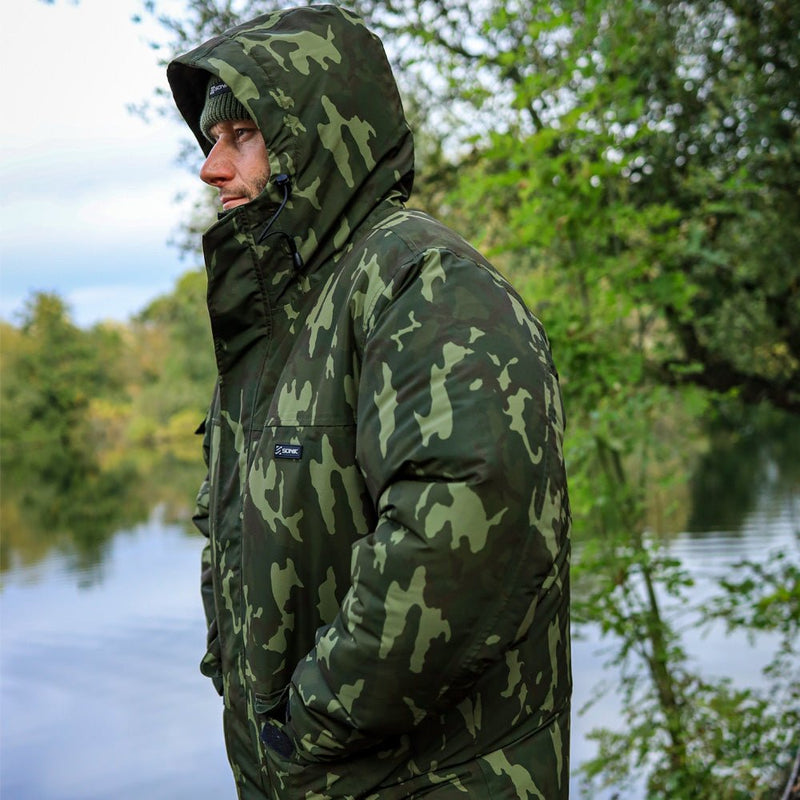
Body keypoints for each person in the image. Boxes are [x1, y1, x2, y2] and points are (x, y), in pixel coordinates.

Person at [167, 5, 571, 799]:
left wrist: (304, 724)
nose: (212, 169)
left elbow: (463, 531)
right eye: (212, 140)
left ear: (319, 138)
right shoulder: (276, 324)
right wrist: (239, 677)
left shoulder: (421, 282)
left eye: (241, 134)